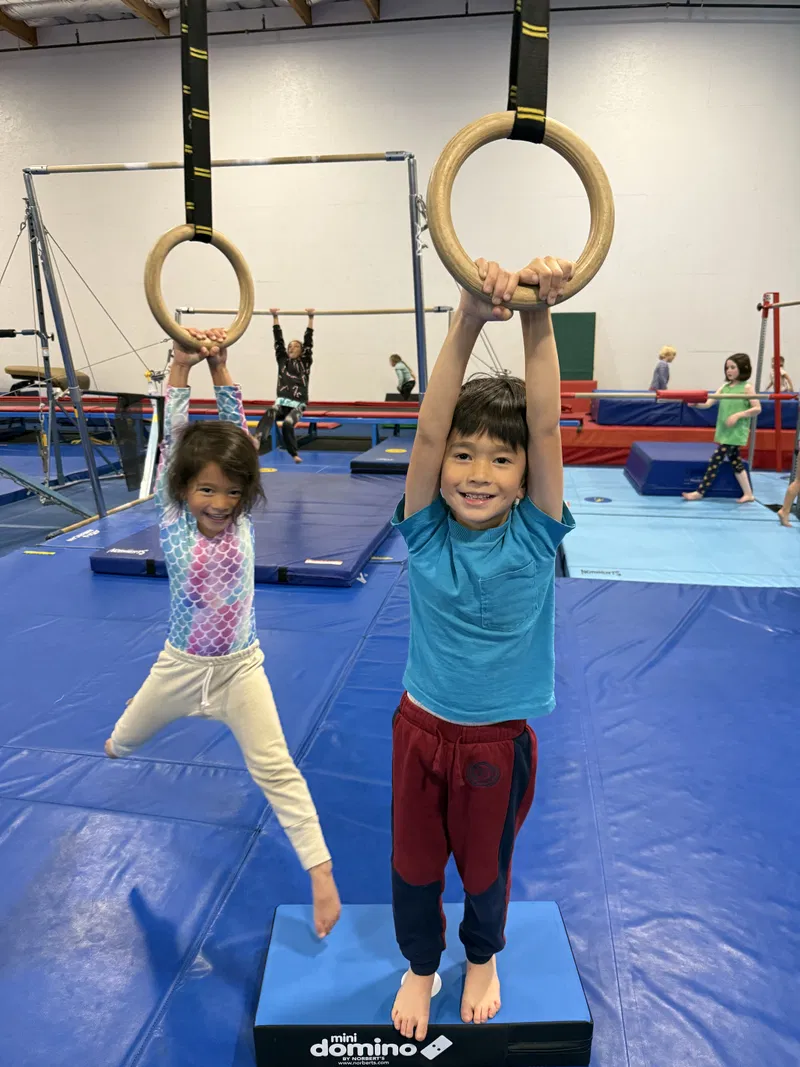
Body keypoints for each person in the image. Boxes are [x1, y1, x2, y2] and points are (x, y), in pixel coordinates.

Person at [389, 256, 575, 1043]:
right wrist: (467, 317)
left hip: (497, 739)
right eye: (464, 456)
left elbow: (545, 426)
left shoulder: (535, 536)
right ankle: (419, 964)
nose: (476, 473)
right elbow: (430, 427)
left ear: (526, 476)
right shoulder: (425, 532)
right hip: (421, 728)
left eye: (500, 459)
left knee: (485, 866)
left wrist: (538, 313)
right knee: (412, 863)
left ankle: (481, 954)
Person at [105, 327, 341, 939]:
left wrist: (221, 366)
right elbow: (175, 438)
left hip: (240, 669)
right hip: (179, 667)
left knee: (276, 766)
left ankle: (321, 874)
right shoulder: (173, 518)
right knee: (119, 745)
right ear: (183, 488)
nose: (220, 502)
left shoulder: (241, 525)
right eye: (207, 489)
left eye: (233, 492)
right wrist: (180, 369)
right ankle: (136, 713)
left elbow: (237, 436)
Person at [682, 353, 761, 503]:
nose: (729, 371)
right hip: (725, 429)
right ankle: (748, 494)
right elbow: (708, 403)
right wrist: (696, 404)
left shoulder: (747, 387)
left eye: (733, 367)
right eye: (727, 367)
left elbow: (757, 408)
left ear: (742, 368)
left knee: (716, 459)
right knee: (735, 462)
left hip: (736, 431)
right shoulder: (724, 387)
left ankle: (700, 492)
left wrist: (738, 415)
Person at [253, 309, 315, 463]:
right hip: (281, 403)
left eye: (295, 346)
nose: (291, 348)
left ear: (302, 351)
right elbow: (278, 341)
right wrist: (275, 317)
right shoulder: (282, 361)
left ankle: (293, 453)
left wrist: (310, 318)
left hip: (298, 405)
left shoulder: (305, 362)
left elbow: (308, 341)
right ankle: (258, 439)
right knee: (270, 411)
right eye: (289, 347)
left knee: (288, 423)